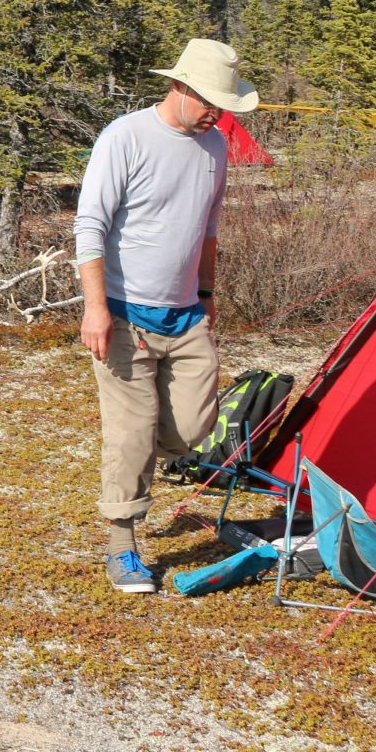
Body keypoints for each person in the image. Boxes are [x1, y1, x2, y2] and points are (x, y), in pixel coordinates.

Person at [73, 38, 257, 593]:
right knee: (130, 433)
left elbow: (209, 227)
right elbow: (90, 227)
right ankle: (122, 546)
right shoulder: (126, 137)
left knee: (192, 429)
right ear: (179, 86)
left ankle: (142, 450)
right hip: (126, 314)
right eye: (209, 101)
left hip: (186, 317)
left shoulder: (215, 147)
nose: (216, 113)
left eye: (224, 104)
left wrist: (206, 293)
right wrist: (96, 309)